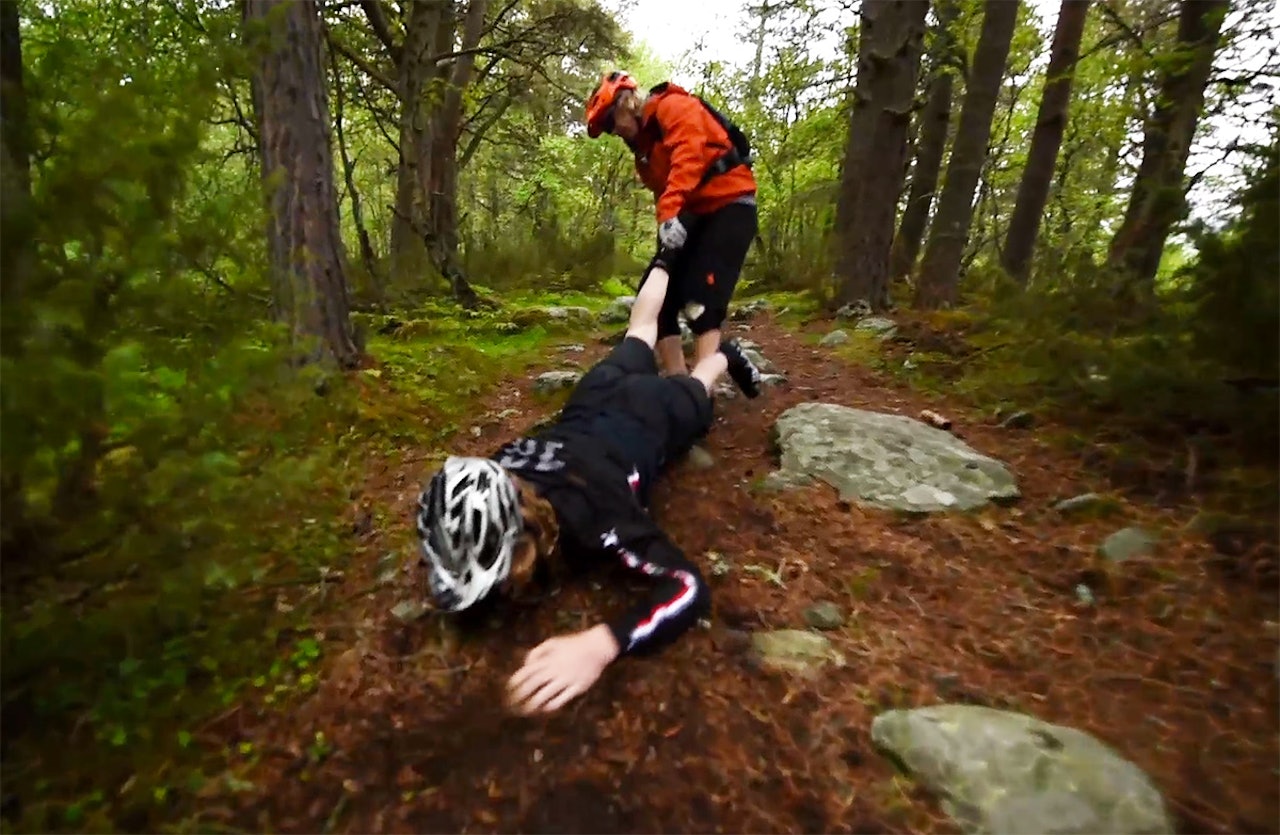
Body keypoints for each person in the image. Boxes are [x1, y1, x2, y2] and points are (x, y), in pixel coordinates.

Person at [414, 258, 759, 716]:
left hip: (646, 415)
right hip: (593, 397)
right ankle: (667, 257)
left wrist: (604, 643)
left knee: (699, 383)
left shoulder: (596, 516)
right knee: (640, 329)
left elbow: (687, 588)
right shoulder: (495, 471)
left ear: (522, 546)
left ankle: (727, 354)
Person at [584, 70, 763, 396]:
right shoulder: (642, 152)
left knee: (701, 297)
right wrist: (666, 240)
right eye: (608, 126)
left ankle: (702, 391)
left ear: (627, 102)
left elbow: (688, 158)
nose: (614, 129)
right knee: (656, 298)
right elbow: (661, 192)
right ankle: (679, 385)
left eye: (612, 120)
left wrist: (670, 213)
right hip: (691, 212)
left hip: (730, 204)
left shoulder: (673, 106)